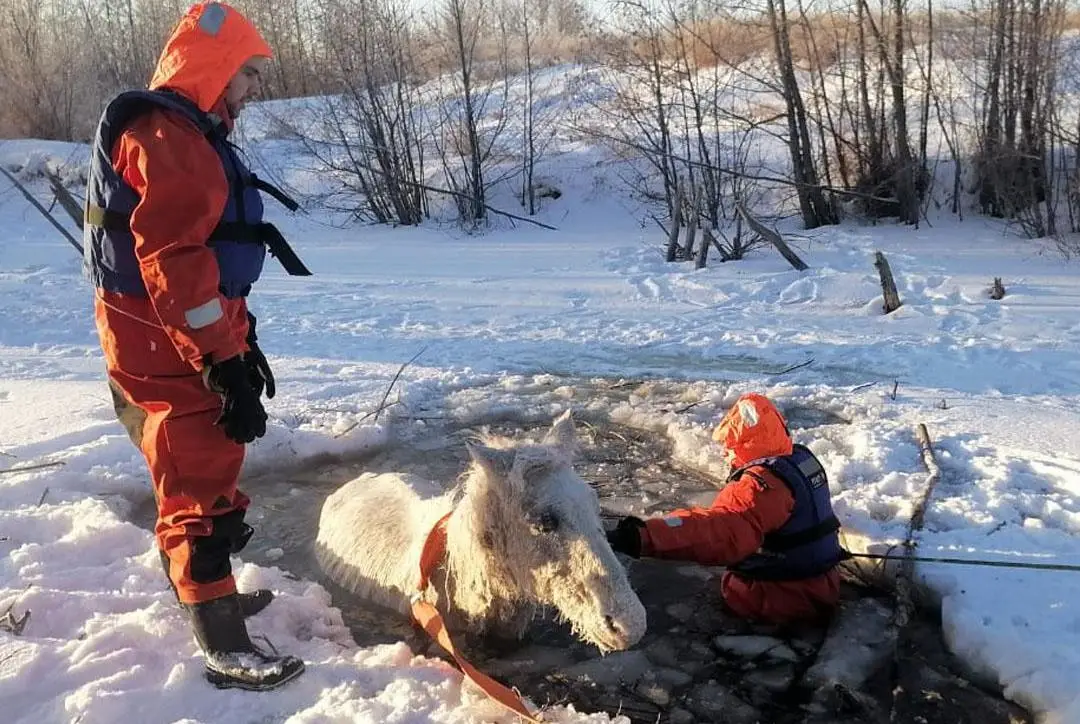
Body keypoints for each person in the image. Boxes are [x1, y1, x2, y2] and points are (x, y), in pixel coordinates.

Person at [83, 2, 310, 690]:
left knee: (209, 468)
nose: (253, 89)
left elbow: (202, 266)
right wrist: (220, 360)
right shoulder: (169, 137)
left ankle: (209, 597)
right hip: (165, 342)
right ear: (216, 70)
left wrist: (239, 344)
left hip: (179, 332)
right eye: (248, 73)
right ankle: (222, 642)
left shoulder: (184, 132)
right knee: (194, 483)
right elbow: (175, 265)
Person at [606, 393, 843, 625]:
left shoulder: (760, 485)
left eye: (730, 446)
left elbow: (718, 533)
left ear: (744, 443)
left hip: (777, 597)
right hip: (824, 583)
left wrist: (642, 536)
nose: (725, 453)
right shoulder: (800, 460)